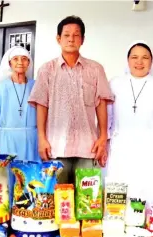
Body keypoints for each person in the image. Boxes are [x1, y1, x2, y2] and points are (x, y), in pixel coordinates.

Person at [28, 16, 114, 184]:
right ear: (58, 38)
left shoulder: (95, 69)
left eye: (76, 35)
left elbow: (101, 104)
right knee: (60, 202)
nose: (71, 39)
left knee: (88, 202)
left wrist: (103, 137)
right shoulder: (47, 69)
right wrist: (42, 139)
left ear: (82, 39)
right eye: (66, 35)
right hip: (56, 146)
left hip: (88, 147)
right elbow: (41, 105)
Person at [106, 41, 153, 206]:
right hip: (121, 149)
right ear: (127, 60)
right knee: (120, 194)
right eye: (134, 57)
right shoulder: (114, 84)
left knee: (150, 195)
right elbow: (107, 118)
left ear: (151, 61)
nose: (139, 62)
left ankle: (152, 227)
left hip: (152, 151)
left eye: (144, 58)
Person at [0, 46, 40, 161]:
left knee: (31, 175)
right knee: (8, 176)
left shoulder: (36, 86)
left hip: (32, 139)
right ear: (9, 63)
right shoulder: (0, 88)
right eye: (16, 59)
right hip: (7, 140)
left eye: (24, 59)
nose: (20, 62)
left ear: (29, 63)